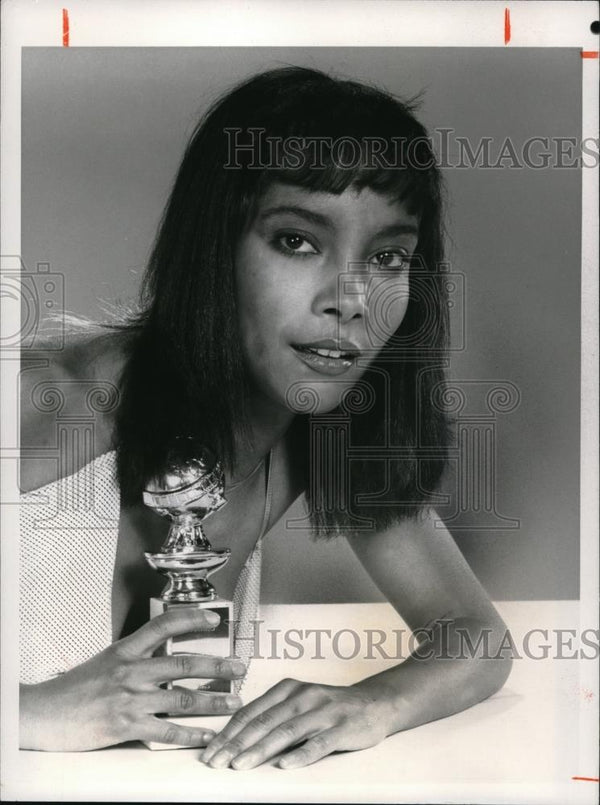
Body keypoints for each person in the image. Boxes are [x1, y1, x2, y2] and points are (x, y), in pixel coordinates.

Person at [19, 66, 512, 766]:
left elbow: (476, 636)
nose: (351, 298)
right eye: (296, 240)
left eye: (388, 256)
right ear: (215, 247)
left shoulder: (319, 427)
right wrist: (27, 710)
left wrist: (371, 702)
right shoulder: (46, 400)